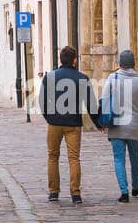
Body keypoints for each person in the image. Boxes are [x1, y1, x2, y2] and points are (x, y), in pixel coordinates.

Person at [38, 46, 98, 204]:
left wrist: (49, 118)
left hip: (54, 123)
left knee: (52, 157)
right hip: (73, 124)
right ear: (75, 60)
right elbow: (91, 105)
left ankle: (53, 192)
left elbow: (42, 101)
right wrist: (99, 123)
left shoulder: (49, 77)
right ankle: (75, 193)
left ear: (60, 59)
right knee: (74, 158)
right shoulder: (82, 78)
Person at [103, 50, 138, 202]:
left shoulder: (112, 78)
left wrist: (104, 120)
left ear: (120, 64)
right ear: (133, 63)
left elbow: (104, 100)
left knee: (119, 159)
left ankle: (124, 192)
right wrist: (137, 116)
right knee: (136, 158)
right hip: (135, 126)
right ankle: (136, 186)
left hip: (116, 126)